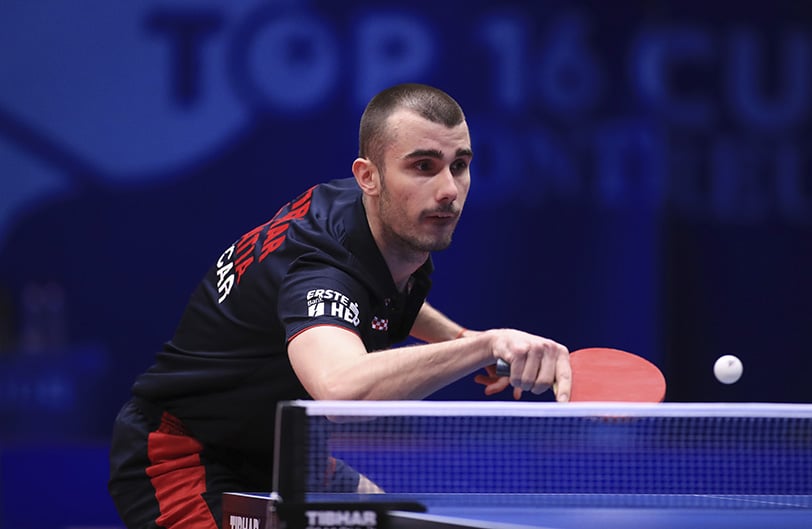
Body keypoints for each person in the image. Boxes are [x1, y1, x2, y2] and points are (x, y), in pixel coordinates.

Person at [108, 83, 571, 529]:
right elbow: (340, 392)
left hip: (282, 452)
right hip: (186, 456)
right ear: (369, 176)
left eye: (460, 164)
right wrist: (485, 346)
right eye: (423, 166)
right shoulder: (321, 266)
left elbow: (373, 299)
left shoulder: (372, 219)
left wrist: (459, 338)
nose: (449, 189)